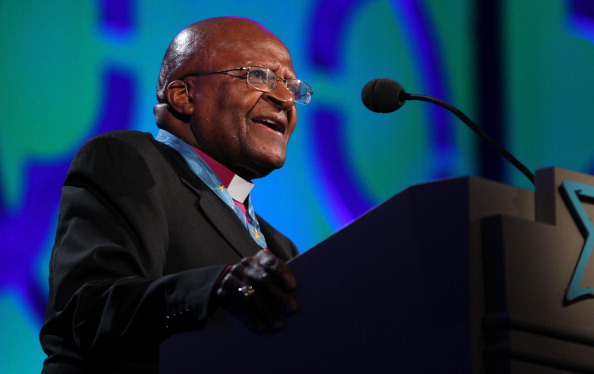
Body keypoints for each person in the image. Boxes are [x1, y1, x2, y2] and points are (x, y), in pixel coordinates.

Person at [39, 16, 313, 374]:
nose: (284, 99)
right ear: (183, 96)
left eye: (292, 86)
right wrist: (214, 286)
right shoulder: (129, 160)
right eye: (258, 76)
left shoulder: (281, 249)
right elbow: (83, 312)